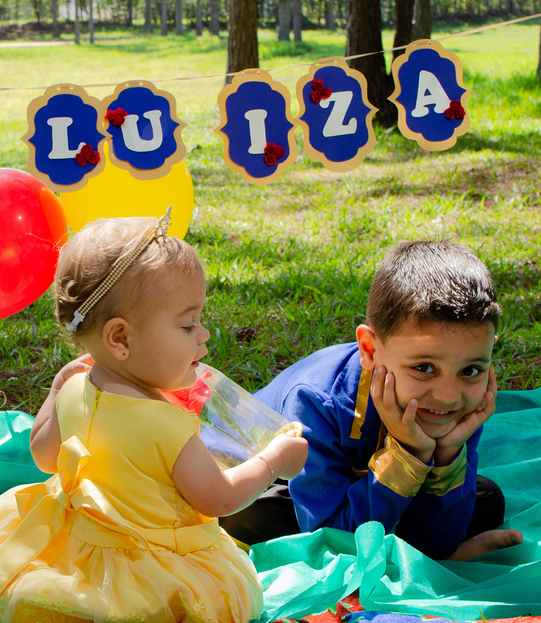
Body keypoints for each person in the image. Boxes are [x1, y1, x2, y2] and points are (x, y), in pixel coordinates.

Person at [0, 213, 308, 623]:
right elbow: (219, 497)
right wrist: (274, 461)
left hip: (78, 558)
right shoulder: (167, 424)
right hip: (151, 574)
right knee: (210, 603)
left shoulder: (75, 390)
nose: (204, 334)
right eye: (188, 324)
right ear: (120, 339)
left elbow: (44, 457)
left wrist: (57, 387)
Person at [220, 240, 523, 562]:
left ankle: (420, 550)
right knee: (244, 512)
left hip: (368, 493)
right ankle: (428, 553)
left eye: (471, 370)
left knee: (487, 498)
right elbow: (331, 539)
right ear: (369, 349)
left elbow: (442, 528)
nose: (448, 395)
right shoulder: (315, 401)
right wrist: (410, 454)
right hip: (278, 486)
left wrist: (447, 454)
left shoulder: (458, 405)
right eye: (423, 368)